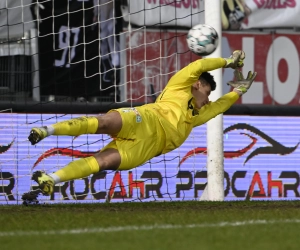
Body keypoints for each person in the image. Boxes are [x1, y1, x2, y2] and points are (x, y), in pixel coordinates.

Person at [27, 50, 257, 196]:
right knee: (105, 121)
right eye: (207, 93)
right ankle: (46, 130)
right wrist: (227, 61)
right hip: (145, 119)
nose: (208, 100)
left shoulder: (196, 117)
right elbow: (197, 67)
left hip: (146, 148)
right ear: (197, 85)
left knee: (104, 161)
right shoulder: (179, 86)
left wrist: (237, 92)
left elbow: (218, 107)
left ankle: (51, 179)